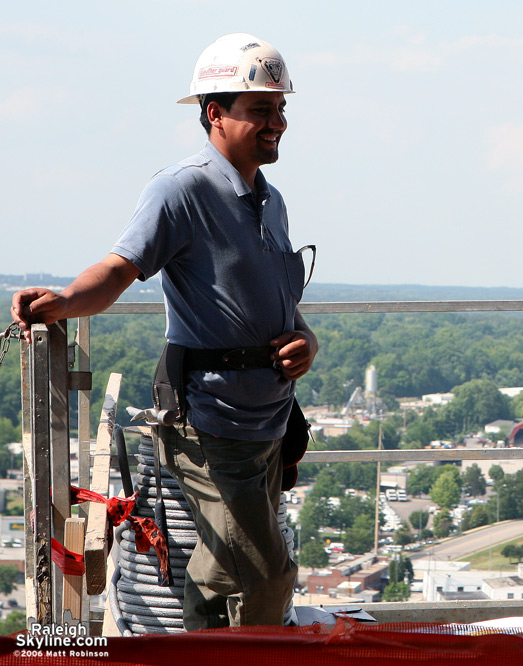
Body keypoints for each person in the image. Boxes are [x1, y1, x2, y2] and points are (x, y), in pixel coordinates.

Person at [10, 33, 317, 630]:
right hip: (211, 421)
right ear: (215, 114)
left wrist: (305, 342)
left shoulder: (269, 200)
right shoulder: (182, 189)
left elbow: (279, 304)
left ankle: (200, 648)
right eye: (261, 109)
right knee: (268, 574)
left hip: (269, 422)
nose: (277, 121)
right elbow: (119, 268)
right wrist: (64, 301)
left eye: (280, 107)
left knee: (221, 568)